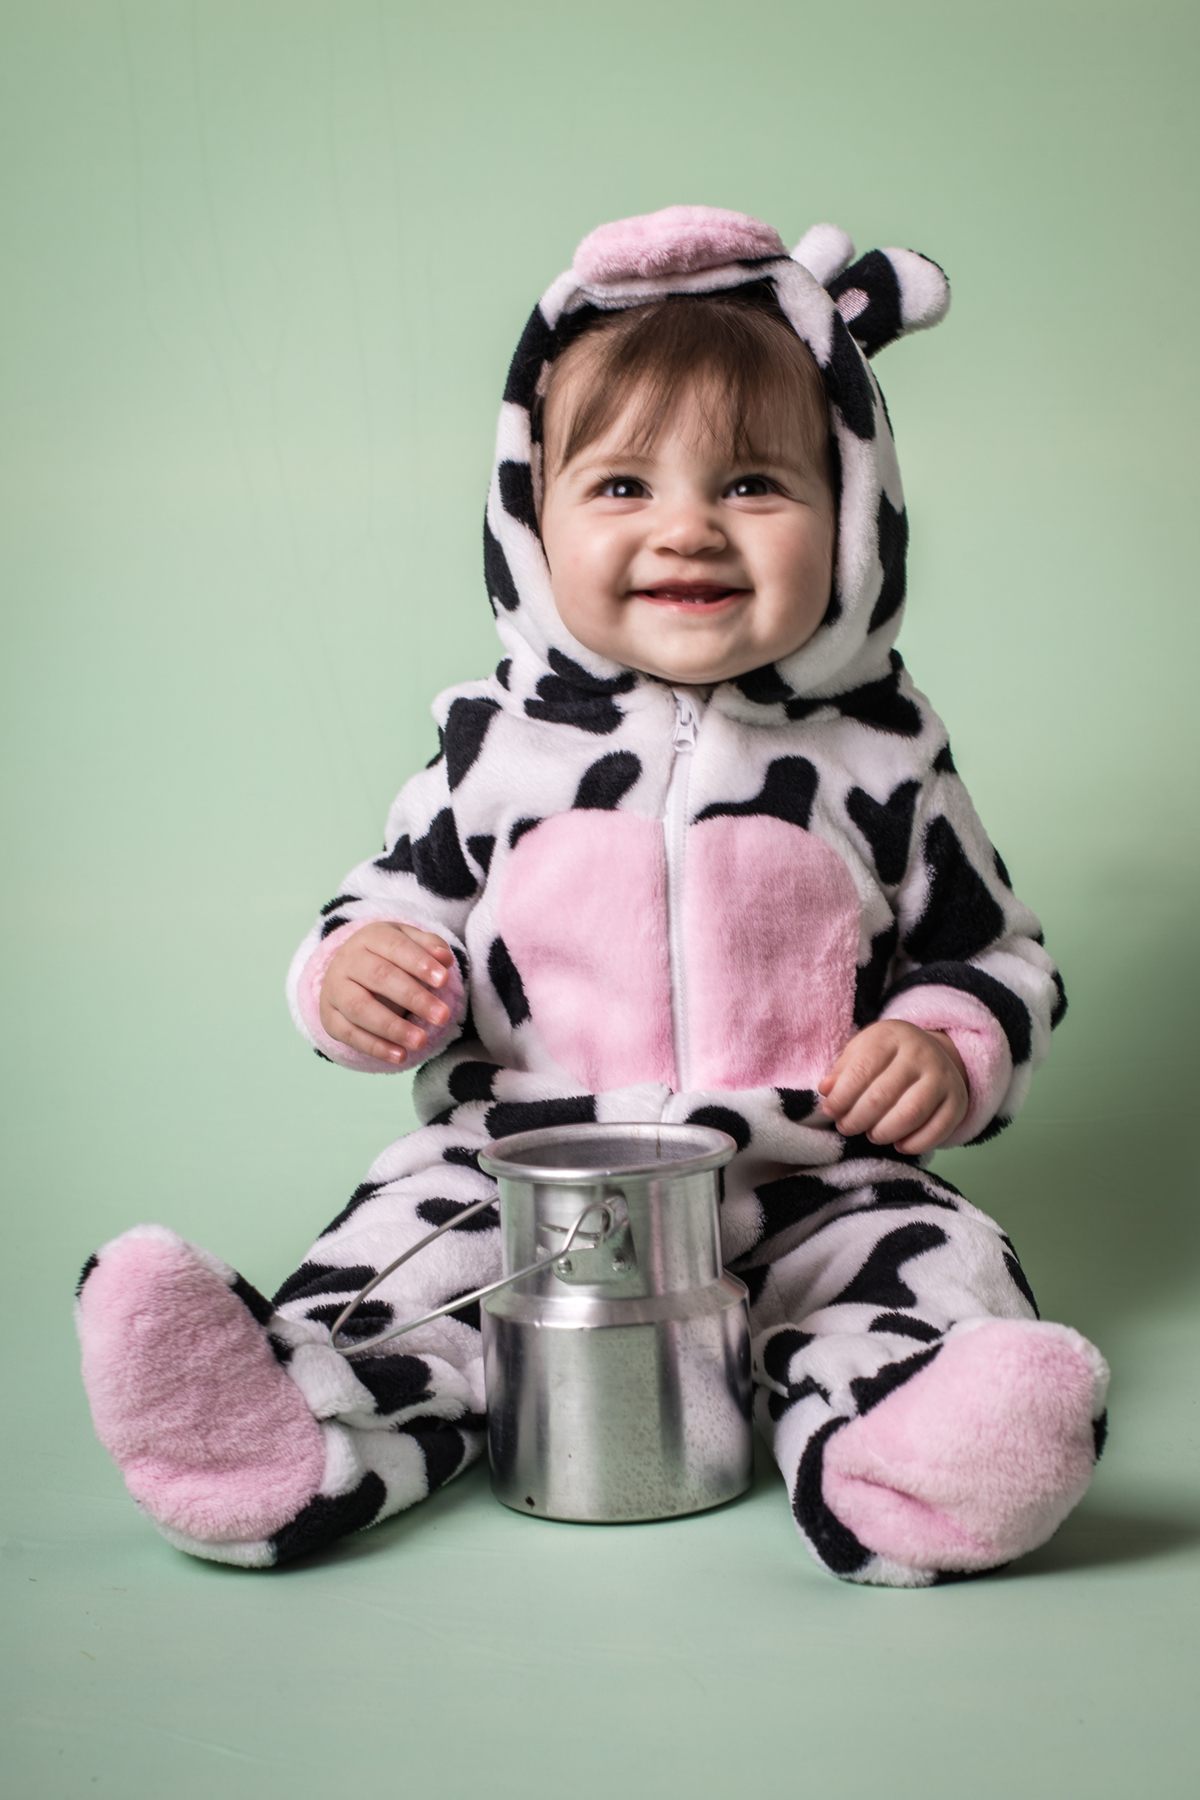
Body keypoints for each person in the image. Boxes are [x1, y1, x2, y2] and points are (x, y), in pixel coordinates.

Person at [76, 205, 1107, 1585]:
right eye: (622, 487)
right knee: (394, 1274)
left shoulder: (883, 753)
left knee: (927, 1270)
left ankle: (914, 1458)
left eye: (753, 485)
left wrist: (948, 1043)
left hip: (807, 1171)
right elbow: (387, 901)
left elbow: (993, 955)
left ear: (854, 511)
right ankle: (278, 1431)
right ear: (531, 514)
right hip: (518, 1179)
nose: (688, 528)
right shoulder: (495, 751)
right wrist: (356, 971)